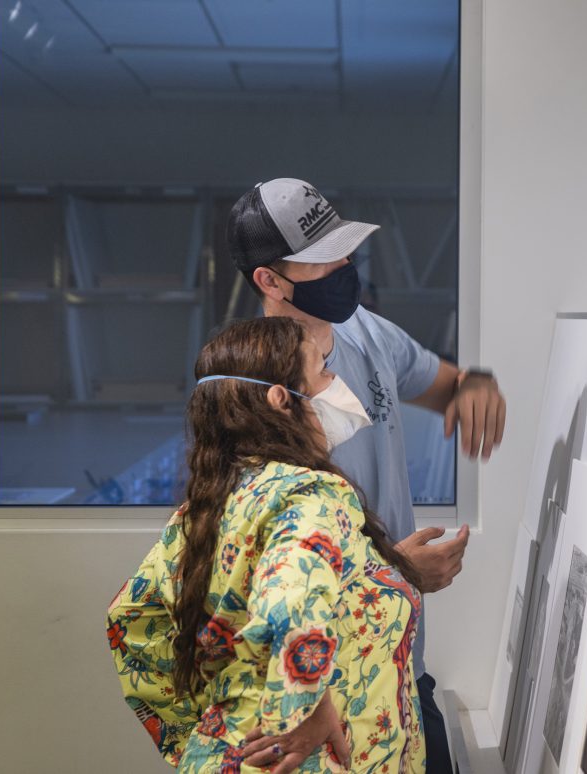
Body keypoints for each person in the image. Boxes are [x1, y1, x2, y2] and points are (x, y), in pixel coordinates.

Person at [226, 178, 508, 772]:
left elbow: (447, 385)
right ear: (269, 281)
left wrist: (472, 385)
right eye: (322, 260)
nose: (344, 266)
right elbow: (270, 580)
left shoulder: (366, 334)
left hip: (403, 666)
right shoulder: (246, 395)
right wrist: (398, 571)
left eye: (344, 249)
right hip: (318, 699)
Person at [107, 317, 425, 772]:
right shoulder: (310, 495)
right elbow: (290, 600)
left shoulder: (206, 508)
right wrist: (306, 709)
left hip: (231, 755)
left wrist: (198, 736)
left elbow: (131, 621)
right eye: (322, 370)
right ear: (281, 399)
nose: (336, 383)